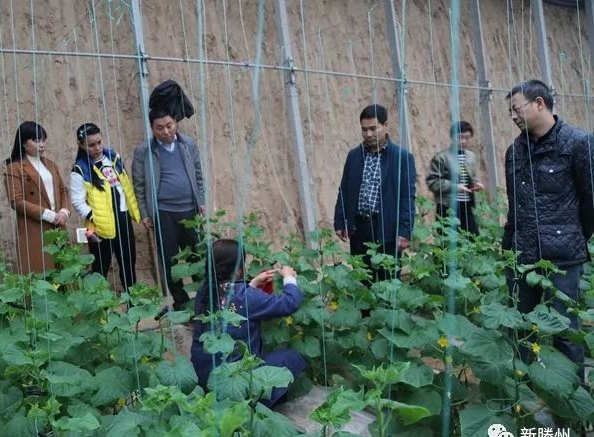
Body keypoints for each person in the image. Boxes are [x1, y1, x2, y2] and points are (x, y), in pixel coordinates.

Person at [503, 79, 594, 374]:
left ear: (539, 103)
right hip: (522, 255)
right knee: (520, 328)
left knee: (564, 330)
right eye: (511, 112)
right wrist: (508, 248)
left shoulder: (578, 142)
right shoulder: (514, 151)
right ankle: (522, 397)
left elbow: (590, 200)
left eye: (517, 109)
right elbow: (513, 206)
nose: (514, 116)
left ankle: (570, 404)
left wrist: (574, 234)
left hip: (563, 257)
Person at [190, 239, 305, 407]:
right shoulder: (246, 296)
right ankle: (260, 404)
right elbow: (290, 302)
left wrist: (252, 284)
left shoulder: (204, 290)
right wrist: (288, 277)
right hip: (235, 385)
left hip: (207, 377)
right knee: (291, 358)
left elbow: (230, 302)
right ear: (238, 271)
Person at [132, 108, 205, 310]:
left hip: (190, 210)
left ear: (175, 122)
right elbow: (138, 185)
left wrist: (202, 200)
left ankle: (205, 300)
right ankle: (181, 303)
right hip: (163, 213)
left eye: (169, 125)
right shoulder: (143, 151)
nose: (165, 131)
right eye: (159, 128)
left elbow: (198, 175)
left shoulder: (187, 144)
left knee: (198, 256)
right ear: (152, 128)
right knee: (170, 260)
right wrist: (145, 214)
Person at [333, 104, 417, 279]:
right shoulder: (354, 156)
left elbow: (407, 197)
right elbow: (344, 189)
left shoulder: (401, 157)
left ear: (385, 125)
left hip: (387, 228)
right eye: (364, 130)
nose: (368, 134)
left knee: (388, 280)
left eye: (373, 128)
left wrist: (404, 231)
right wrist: (340, 221)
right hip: (359, 228)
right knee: (363, 280)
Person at [70, 123, 141, 290]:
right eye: (91, 145)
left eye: (99, 142)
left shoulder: (113, 158)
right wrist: (95, 218)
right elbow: (77, 201)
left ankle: (134, 307)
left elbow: (125, 188)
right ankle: (100, 311)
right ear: (81, 145)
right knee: (100, 268)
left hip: (122, 218)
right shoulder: (80, 169)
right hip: (100, 225)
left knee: (128, 264)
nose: (97, 148)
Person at [4, 121, 70, 275]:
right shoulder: (14, 167)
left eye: (43, 140)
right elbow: (16, 201)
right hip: (34, 227)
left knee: (64, 273)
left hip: (58, 224)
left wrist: (65, 211)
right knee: (41, 274)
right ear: (23, 143)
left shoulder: (51, 164)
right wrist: (48, 214)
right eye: (36, 140)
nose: (41, 145)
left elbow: (63, 190)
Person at [426, 120, 485, 235]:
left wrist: (476, 184)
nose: (463, 141)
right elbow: (432, 182)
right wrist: (454, 187)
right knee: (447, 242)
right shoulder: (441, 157)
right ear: (452, 137)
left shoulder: (471, 156)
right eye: (460, 137)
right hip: (447, 207)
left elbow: (471, 177)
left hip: (466, 205)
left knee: (473, 239)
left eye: (467, 138)